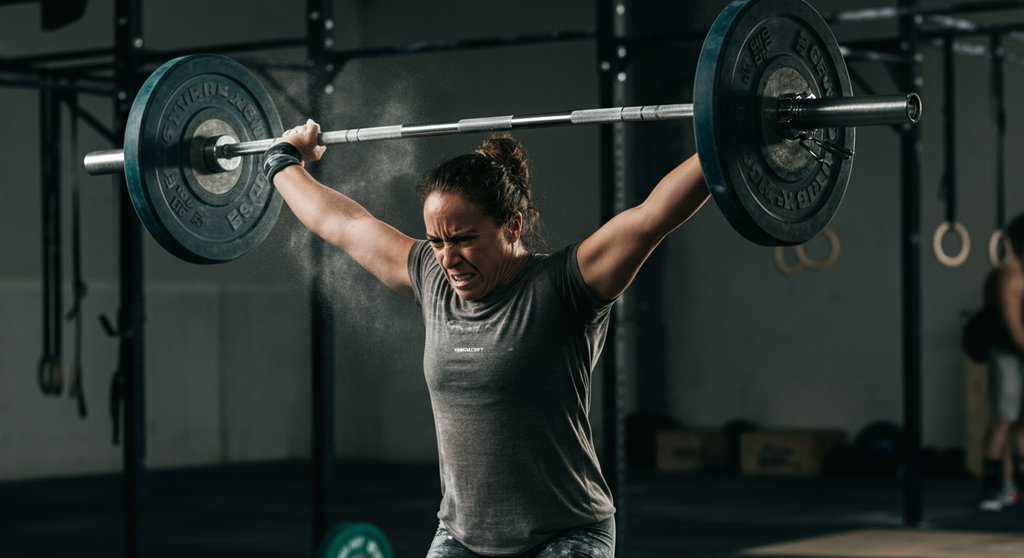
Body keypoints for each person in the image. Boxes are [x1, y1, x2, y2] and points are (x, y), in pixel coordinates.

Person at [265, 119, 709, 556]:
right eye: (436, 241)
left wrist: (724, 136)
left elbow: (652, 217)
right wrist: (284, 160)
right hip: (462, 537)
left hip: (566, 534)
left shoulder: (565, 286)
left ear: (513, 226)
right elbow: (342, 224)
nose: (448, 258)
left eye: (463, 239)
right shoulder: (429, 276)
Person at [978, 214, 1024, 512]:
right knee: (1004, 420)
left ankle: (1013, 486)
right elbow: (1014, 327)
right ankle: (996, 488)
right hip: (1008, 354)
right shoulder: (1009, 276)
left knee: (1021, 423)